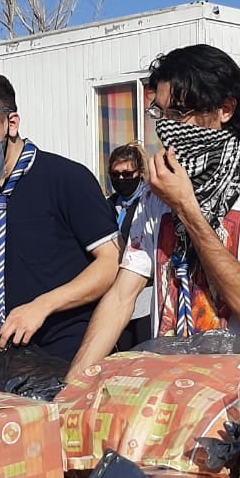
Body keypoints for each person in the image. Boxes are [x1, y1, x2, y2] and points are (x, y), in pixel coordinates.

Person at [70, 44, 240, 374]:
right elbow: (120, 297)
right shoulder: (157, 189)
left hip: (239, 390)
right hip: (165, 386)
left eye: (180, 114)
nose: (168, 126)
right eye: (161, 114)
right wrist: (74, 384)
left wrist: (186, 206)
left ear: (225, 109)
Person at [0, 70, 120, 376]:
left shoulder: (66, 178)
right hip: (14, 360)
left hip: (78, 356)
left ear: (12, 123)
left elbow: (110, 263)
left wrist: (43, 305)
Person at [106, 143, 153, 349]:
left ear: (139, 173)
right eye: (115, 175)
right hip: (115, 293)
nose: (121, 180)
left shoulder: (149, 204)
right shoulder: (108, 205)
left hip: (145, 295)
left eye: (127, 174)